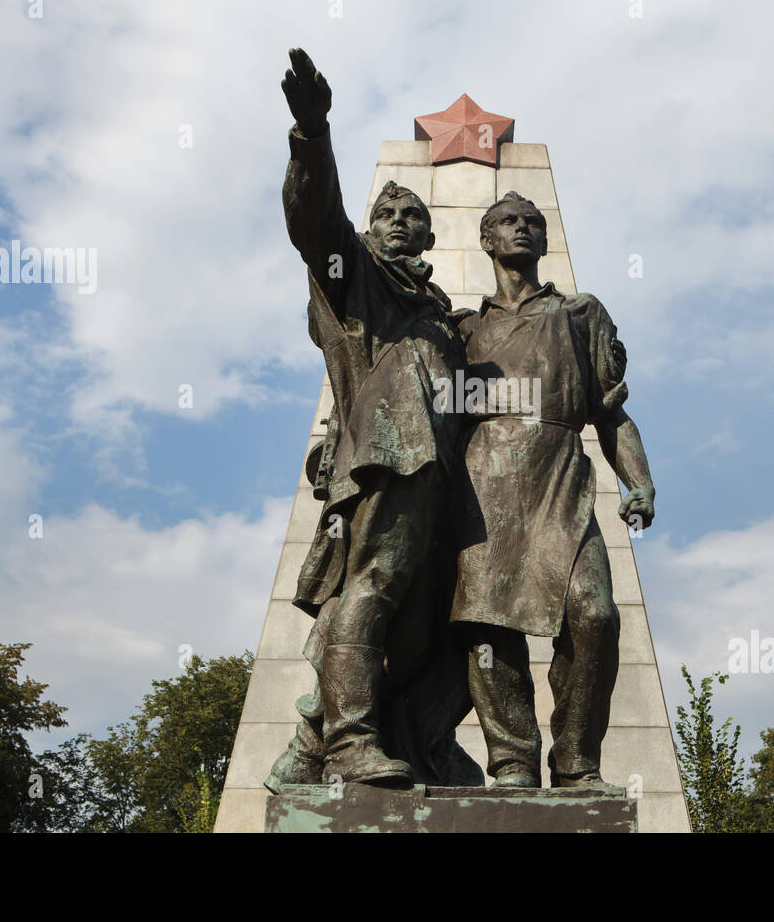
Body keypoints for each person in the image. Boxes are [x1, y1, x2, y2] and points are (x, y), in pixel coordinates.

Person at [265, 48, 475, 790]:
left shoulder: (439, 315)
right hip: (393, 449)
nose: (393, 223)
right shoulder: (353, 279)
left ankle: (314, 740)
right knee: (375, 588)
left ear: (427, 238)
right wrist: (312, 133)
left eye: (407, 217)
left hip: (440, 473)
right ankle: (350, 744)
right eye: (383, 213)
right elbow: (314, 221)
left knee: (422, 633)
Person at [452, 191, 657, 788]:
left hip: (560, 481)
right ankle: (513, 763)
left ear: (545, 241)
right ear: (487, 241)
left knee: (594, 616)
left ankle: (575, 762)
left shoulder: (580, 314)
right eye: (508, 223)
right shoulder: (461, 328)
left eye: (533, 224)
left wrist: (638, 482)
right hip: (481, 489)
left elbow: (611, 414)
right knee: (491, 630)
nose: (522, 229)